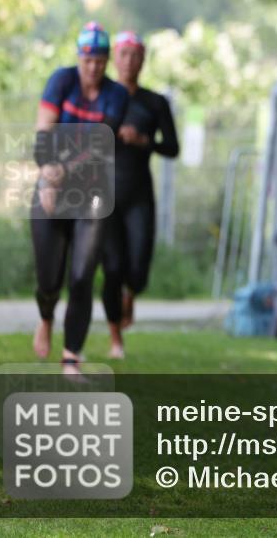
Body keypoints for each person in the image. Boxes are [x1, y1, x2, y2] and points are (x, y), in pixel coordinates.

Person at [31, 22, 128, 375]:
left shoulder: (117, 95)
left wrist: (61, 171)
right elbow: (43, 130)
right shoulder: (61, 80)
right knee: (48, 277)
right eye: (88, 61)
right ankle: (45, 317)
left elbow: (100, 144)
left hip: (93, 190)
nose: (94, 68)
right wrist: (47, 172)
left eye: (101, 61)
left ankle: (71, 356)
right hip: (51, 181)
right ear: (78, 58)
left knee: (83, 273)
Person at [101, 31, 179, 359]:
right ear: (114, 58)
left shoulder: (155, 102)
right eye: (123, 55)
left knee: (138, 266)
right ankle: (115, 339)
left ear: (143, 60)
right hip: (104, 194)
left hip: (139, 194)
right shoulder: (101, 97)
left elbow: (172, 148)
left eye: (135, 55)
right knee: (112, 267)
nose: (129, 62)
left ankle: (132, 293)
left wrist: (144, 141)